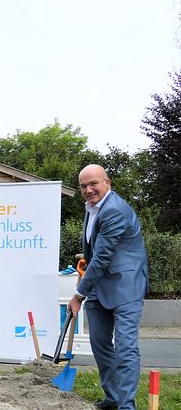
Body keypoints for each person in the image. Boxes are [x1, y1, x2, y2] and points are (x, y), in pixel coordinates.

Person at [68, 164, 148, 410]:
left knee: (125, 348)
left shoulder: (115, 210)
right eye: (83, 186)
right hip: (99, 286)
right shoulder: (91, 207)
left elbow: (102, 257)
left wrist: (78, 295)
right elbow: (95, 253)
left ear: (107, 182)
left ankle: (126, 405)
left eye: (94, 184)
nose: (89, 190)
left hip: (126, 286)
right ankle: (113, 398)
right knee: (100, 344)